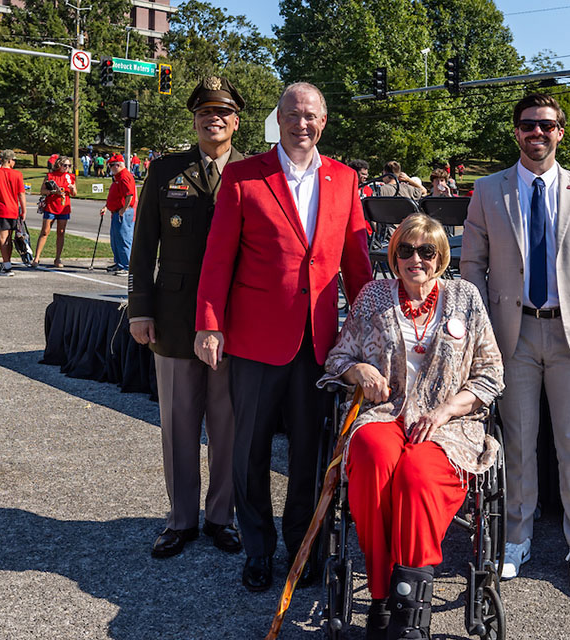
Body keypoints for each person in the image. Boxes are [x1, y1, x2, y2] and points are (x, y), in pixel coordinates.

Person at [193, 82, 372, 594]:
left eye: (311, 116)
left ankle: (302, 545)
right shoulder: (245, 176)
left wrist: (367, 332)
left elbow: (356, 266)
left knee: (308, 457)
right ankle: (258, 548)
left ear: (324, 121)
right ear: (278, 119)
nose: (302, 124)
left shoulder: (345, 179)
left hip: (319, 343)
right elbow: (218, 256)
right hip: (255, 340)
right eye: (292, 115)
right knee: (247, 450)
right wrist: (209, 322)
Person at [461, 92, 570, 598]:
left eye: (547, 125)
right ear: (516, 131)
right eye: (528, 124)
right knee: (519, 445)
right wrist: (479, 334)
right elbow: (471, 267)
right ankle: (517, 539)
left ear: (560, 132)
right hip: (513, 335)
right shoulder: (488, 190)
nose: (537, 133)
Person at [321, 213, 503, 639]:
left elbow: (490, 373)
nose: (415, 259)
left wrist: (445, 412)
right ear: (394, 254)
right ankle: (381, 600)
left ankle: (410, 613)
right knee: (372, 455)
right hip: (385, 413)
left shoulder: (465, 297)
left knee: (417, 475)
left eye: (426, 251)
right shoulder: (372, 296)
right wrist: (361, 370)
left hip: (447, 423)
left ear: (441, 257)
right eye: (405, 250)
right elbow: (337, 360)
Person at [129, 77, 247, 560]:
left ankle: (222, 516)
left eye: (222, 112)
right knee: (178, 422)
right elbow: (143, 249)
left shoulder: (255, 172)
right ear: (194, 120)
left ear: (236, 121)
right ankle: (180, 520)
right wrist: (140, 310)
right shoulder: (164, 171)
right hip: (175, 317)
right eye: (204, 112)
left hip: (235, 318)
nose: (212, 119)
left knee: (228, 424)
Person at [34, 156, 77, 268]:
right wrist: (54, 191)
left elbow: (74, 193)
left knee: (61, 232)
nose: (67, 167)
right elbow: (42, 190)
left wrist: (72, 189)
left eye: (69, 165)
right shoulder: (50, 176)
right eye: (65, 165)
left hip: (64, 207)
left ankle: (57, 258)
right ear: (59, 165)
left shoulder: (70, 177)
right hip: (51, 207)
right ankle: (37, 258)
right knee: (45, 231)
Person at [99, 154, 137, 275]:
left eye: (111, 165)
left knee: (124, 238)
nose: (110, 168)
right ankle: (119, 263)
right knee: (115, 239)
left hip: (124, 212)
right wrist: (106, 206)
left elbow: (129, 194)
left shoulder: (125, 176)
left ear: (118, 165)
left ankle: (126, 266)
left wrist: (124, 209)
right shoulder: (117, 177)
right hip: (116, 211)